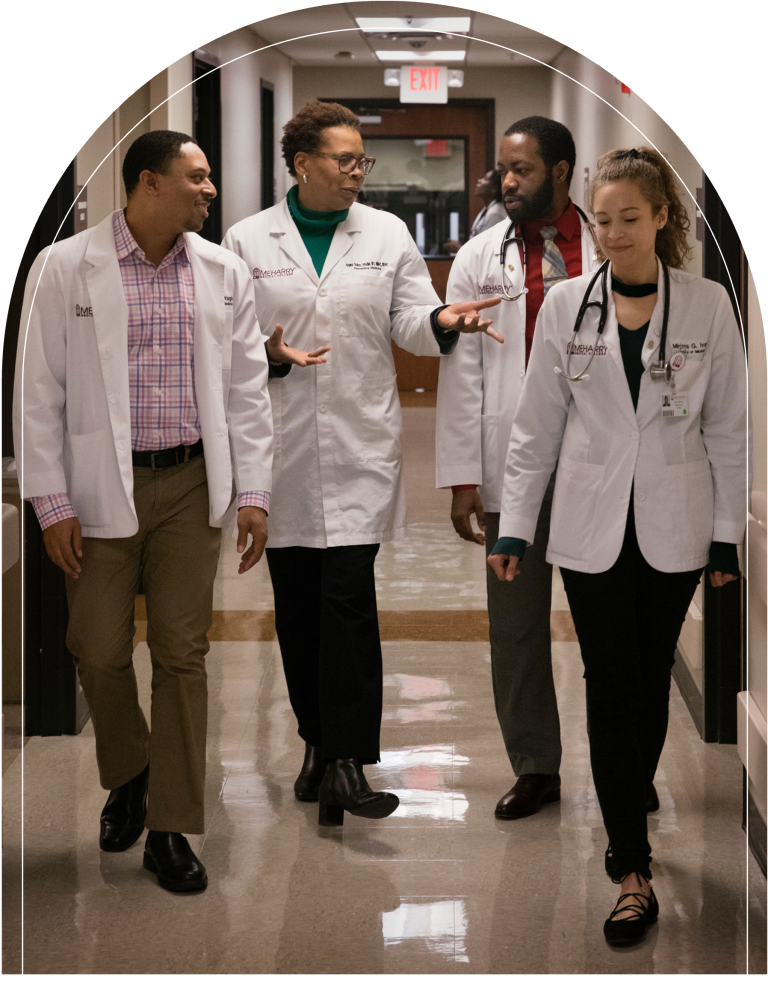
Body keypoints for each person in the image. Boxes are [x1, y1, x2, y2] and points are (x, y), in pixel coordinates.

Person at [488, 147, 747, 943]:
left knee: (645, 679)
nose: (612, 234)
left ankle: (628, 790)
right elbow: (537, 430)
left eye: (629, 219)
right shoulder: (568, 305)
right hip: (591, 526)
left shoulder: (707, 306)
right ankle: (630, 864)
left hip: (676, 521)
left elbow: (730, 431)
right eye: (602, 220)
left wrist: (728, 541)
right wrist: (514, 526)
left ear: (664, 217)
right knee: (609, 679)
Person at [222, 100, 501, 827]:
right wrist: (267, 356)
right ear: (302, 162)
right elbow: (226, 344)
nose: (357, 172)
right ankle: (318, 744)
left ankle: (347, 761)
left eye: (361, 161)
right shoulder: (248, 240)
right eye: (345, 159)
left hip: (358, 448)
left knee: (347, 600)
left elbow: (409, 320)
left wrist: (443, 319)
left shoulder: (385, 232)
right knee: (298, 610)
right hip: (278, 450)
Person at [13, 130, 275, 893]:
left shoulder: (223, 272)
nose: (210, 189)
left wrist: (254, 491)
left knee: (180, 654)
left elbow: (247, 391)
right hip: (98, 487)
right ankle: (130, 769)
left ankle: (170, 826)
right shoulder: (64, 268)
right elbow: (38, 393)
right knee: (94, 647)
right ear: (149, 183)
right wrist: (50, 499)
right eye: (196, 177)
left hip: (194, 485)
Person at [436, 116, 600, 820]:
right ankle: (536, 766)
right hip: (515, 467)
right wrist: (463, 476)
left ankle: (624, 761)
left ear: (561, 171)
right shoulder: (481, 254)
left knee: (608, 629)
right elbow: (464, 373)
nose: (506, 181)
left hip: (600, 467)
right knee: (517, 627)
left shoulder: (606, 245)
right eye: (503, 169)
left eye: (521, 170)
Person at [444, 169, 506, 254]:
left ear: (494, 188)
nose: (479, 181)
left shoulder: (495, 213)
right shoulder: (486, 209)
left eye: (485, 179)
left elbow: (488, 250)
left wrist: (460, 249)